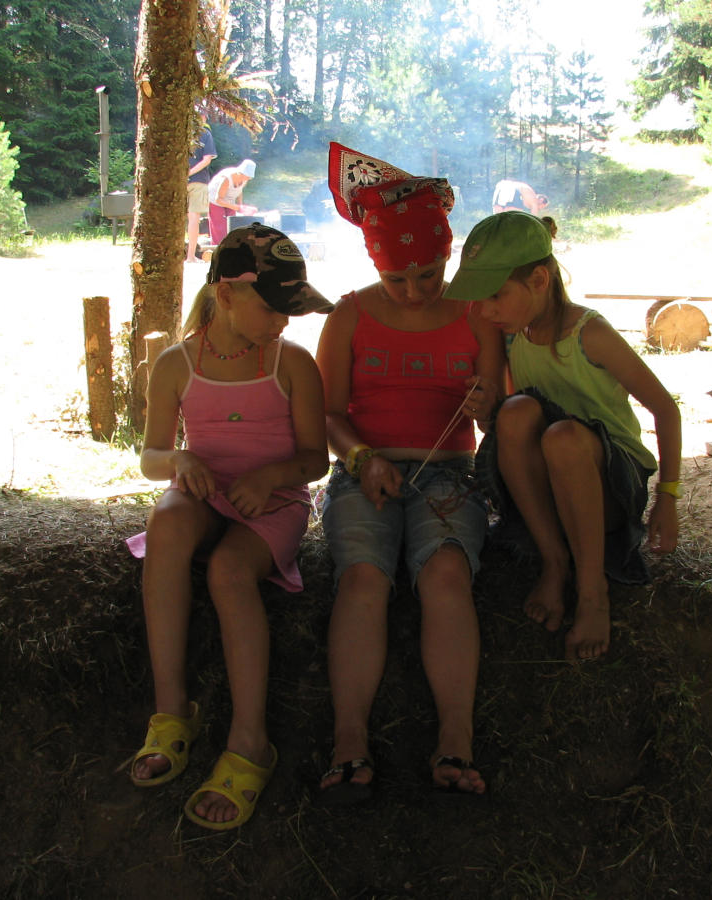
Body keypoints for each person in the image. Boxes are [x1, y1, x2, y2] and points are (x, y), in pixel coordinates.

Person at [315, 143, 504, 803]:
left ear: (447, 256)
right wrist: (361, 459)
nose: (417, 291)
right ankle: (349, 740)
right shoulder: (349, 315)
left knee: (446, 573)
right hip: (362, 470)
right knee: (364, 577)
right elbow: (328, 415)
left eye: (429, 274)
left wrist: (488, 403)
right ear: (376, 266)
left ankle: (456, 738)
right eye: (399, 280)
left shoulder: (477, 315)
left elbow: (498, 408)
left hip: (448, 472)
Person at [128, 223, 333, 830]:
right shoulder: (176, 363)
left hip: (275, 503)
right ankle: (171, 712)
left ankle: (250, 741)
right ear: (225, 294)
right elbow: (151, 458)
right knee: (167, 521)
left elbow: (315, 461)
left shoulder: (292, 363)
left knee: (228, 570)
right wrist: (181, 460)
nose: (284, 321)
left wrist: (270, 477)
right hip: (205, 493)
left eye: (291, 309)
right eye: (273, 307)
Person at [444, 211, 681, 661]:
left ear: (539, 280)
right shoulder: (514, 336)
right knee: (516, 412)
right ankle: (554, 561)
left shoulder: (590, 333)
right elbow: (505, 433)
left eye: (495, 295)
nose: (484, 311)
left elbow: (666, 410)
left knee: (564, 438)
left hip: (611, 487)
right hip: (553, 487)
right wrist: (487, 411)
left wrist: (667, 497)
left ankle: (592, 593)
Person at [185, 112, 217, 263]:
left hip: (179, 180)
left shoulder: (181, 131)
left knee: (177, 218)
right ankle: (190, 256)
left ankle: (178, 255)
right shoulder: (205, 134)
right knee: (193, 218)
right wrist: (190, 172)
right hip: (198, 180)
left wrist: (182, 174)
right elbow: (207, 160)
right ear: (203, 117)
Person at [207, 159, 257, 245]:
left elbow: (239, 191)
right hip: (215, 201)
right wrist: (237, 207)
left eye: (249, 177)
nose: (247, 179)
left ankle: (230, 247)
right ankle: (218, 248)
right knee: (220, 227)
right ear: (240, 173)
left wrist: (241, 206)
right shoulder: (227, 178)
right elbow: (218, 199)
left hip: (229, 200)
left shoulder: (245, 179)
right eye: (246, 176)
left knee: (232, 224)